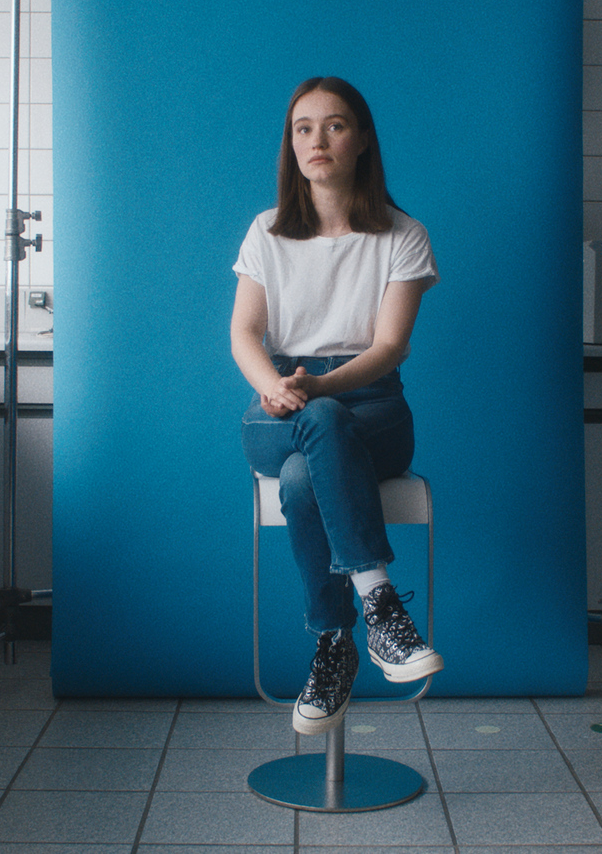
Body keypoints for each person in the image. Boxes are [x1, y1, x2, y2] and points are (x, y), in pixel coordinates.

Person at [230, 76, 444, 736]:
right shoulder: (266, 232)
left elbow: (390, 348)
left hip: (371, 407)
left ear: (362, 139)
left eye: (335, 125)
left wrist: (321, 388)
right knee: (309, 432)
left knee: (302, 473)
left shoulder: (404, 235)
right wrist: (275, 386)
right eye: (303, 128)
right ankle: (382, 609)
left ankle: (334, 644)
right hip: (279, 403)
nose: (317, 140)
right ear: (290, 145)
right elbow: (243, 333)